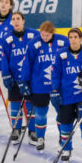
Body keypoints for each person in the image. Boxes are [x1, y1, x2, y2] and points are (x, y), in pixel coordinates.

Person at [50, 27, 82, 160]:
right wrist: (55, 90)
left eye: (75, 37)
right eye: (70, 37)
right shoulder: (61, 55)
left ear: (81, 39)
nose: (73, 40)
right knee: (65, 124)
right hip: (66, 96)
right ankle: (66, 149)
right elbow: (55, 73)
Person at [20, 21, 63, 151]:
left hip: (57, 86)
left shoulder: (63, 42)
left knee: (62, 113)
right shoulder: (34, 43)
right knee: (40, 113)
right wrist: (24, 81)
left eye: (47, 35)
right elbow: (27, 62)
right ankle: (40, 138)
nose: (44, 38)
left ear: (52, 33)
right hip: (39, 85)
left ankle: (63, 138)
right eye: (42, 35)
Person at [1, 12, 40, 141]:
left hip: (29, 78)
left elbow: (39, 55)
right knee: (15, 104)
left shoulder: (34, 35)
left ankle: (32, 130)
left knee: (30, 104)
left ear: (23, 21)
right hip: (14, 78)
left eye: (18, 19)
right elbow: (4, 58)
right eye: (13, 19)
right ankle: (16, 129)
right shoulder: (7, 38)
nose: (16, 21)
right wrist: (6, 74)